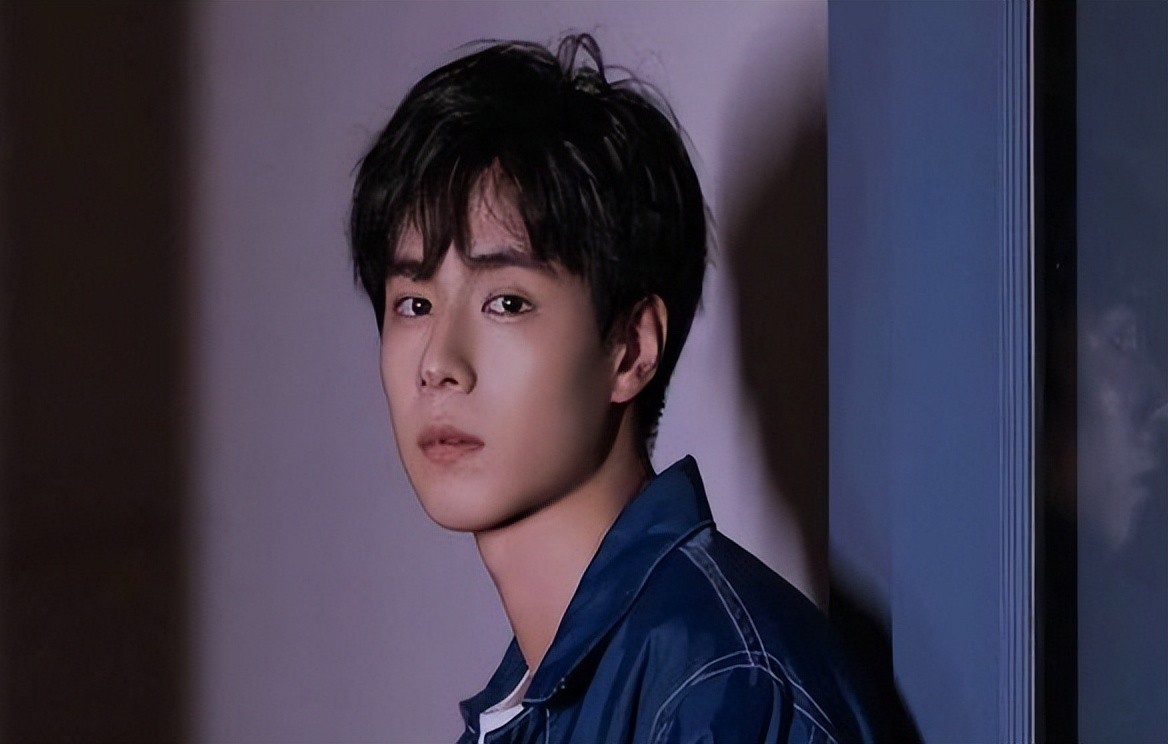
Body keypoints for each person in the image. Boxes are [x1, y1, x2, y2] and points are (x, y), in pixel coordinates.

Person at [349, 34, 878, 743]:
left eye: (506, 302)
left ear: (631, 348)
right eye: (414, 304)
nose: (439, 363)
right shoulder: (537, 698)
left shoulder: (721, 683)